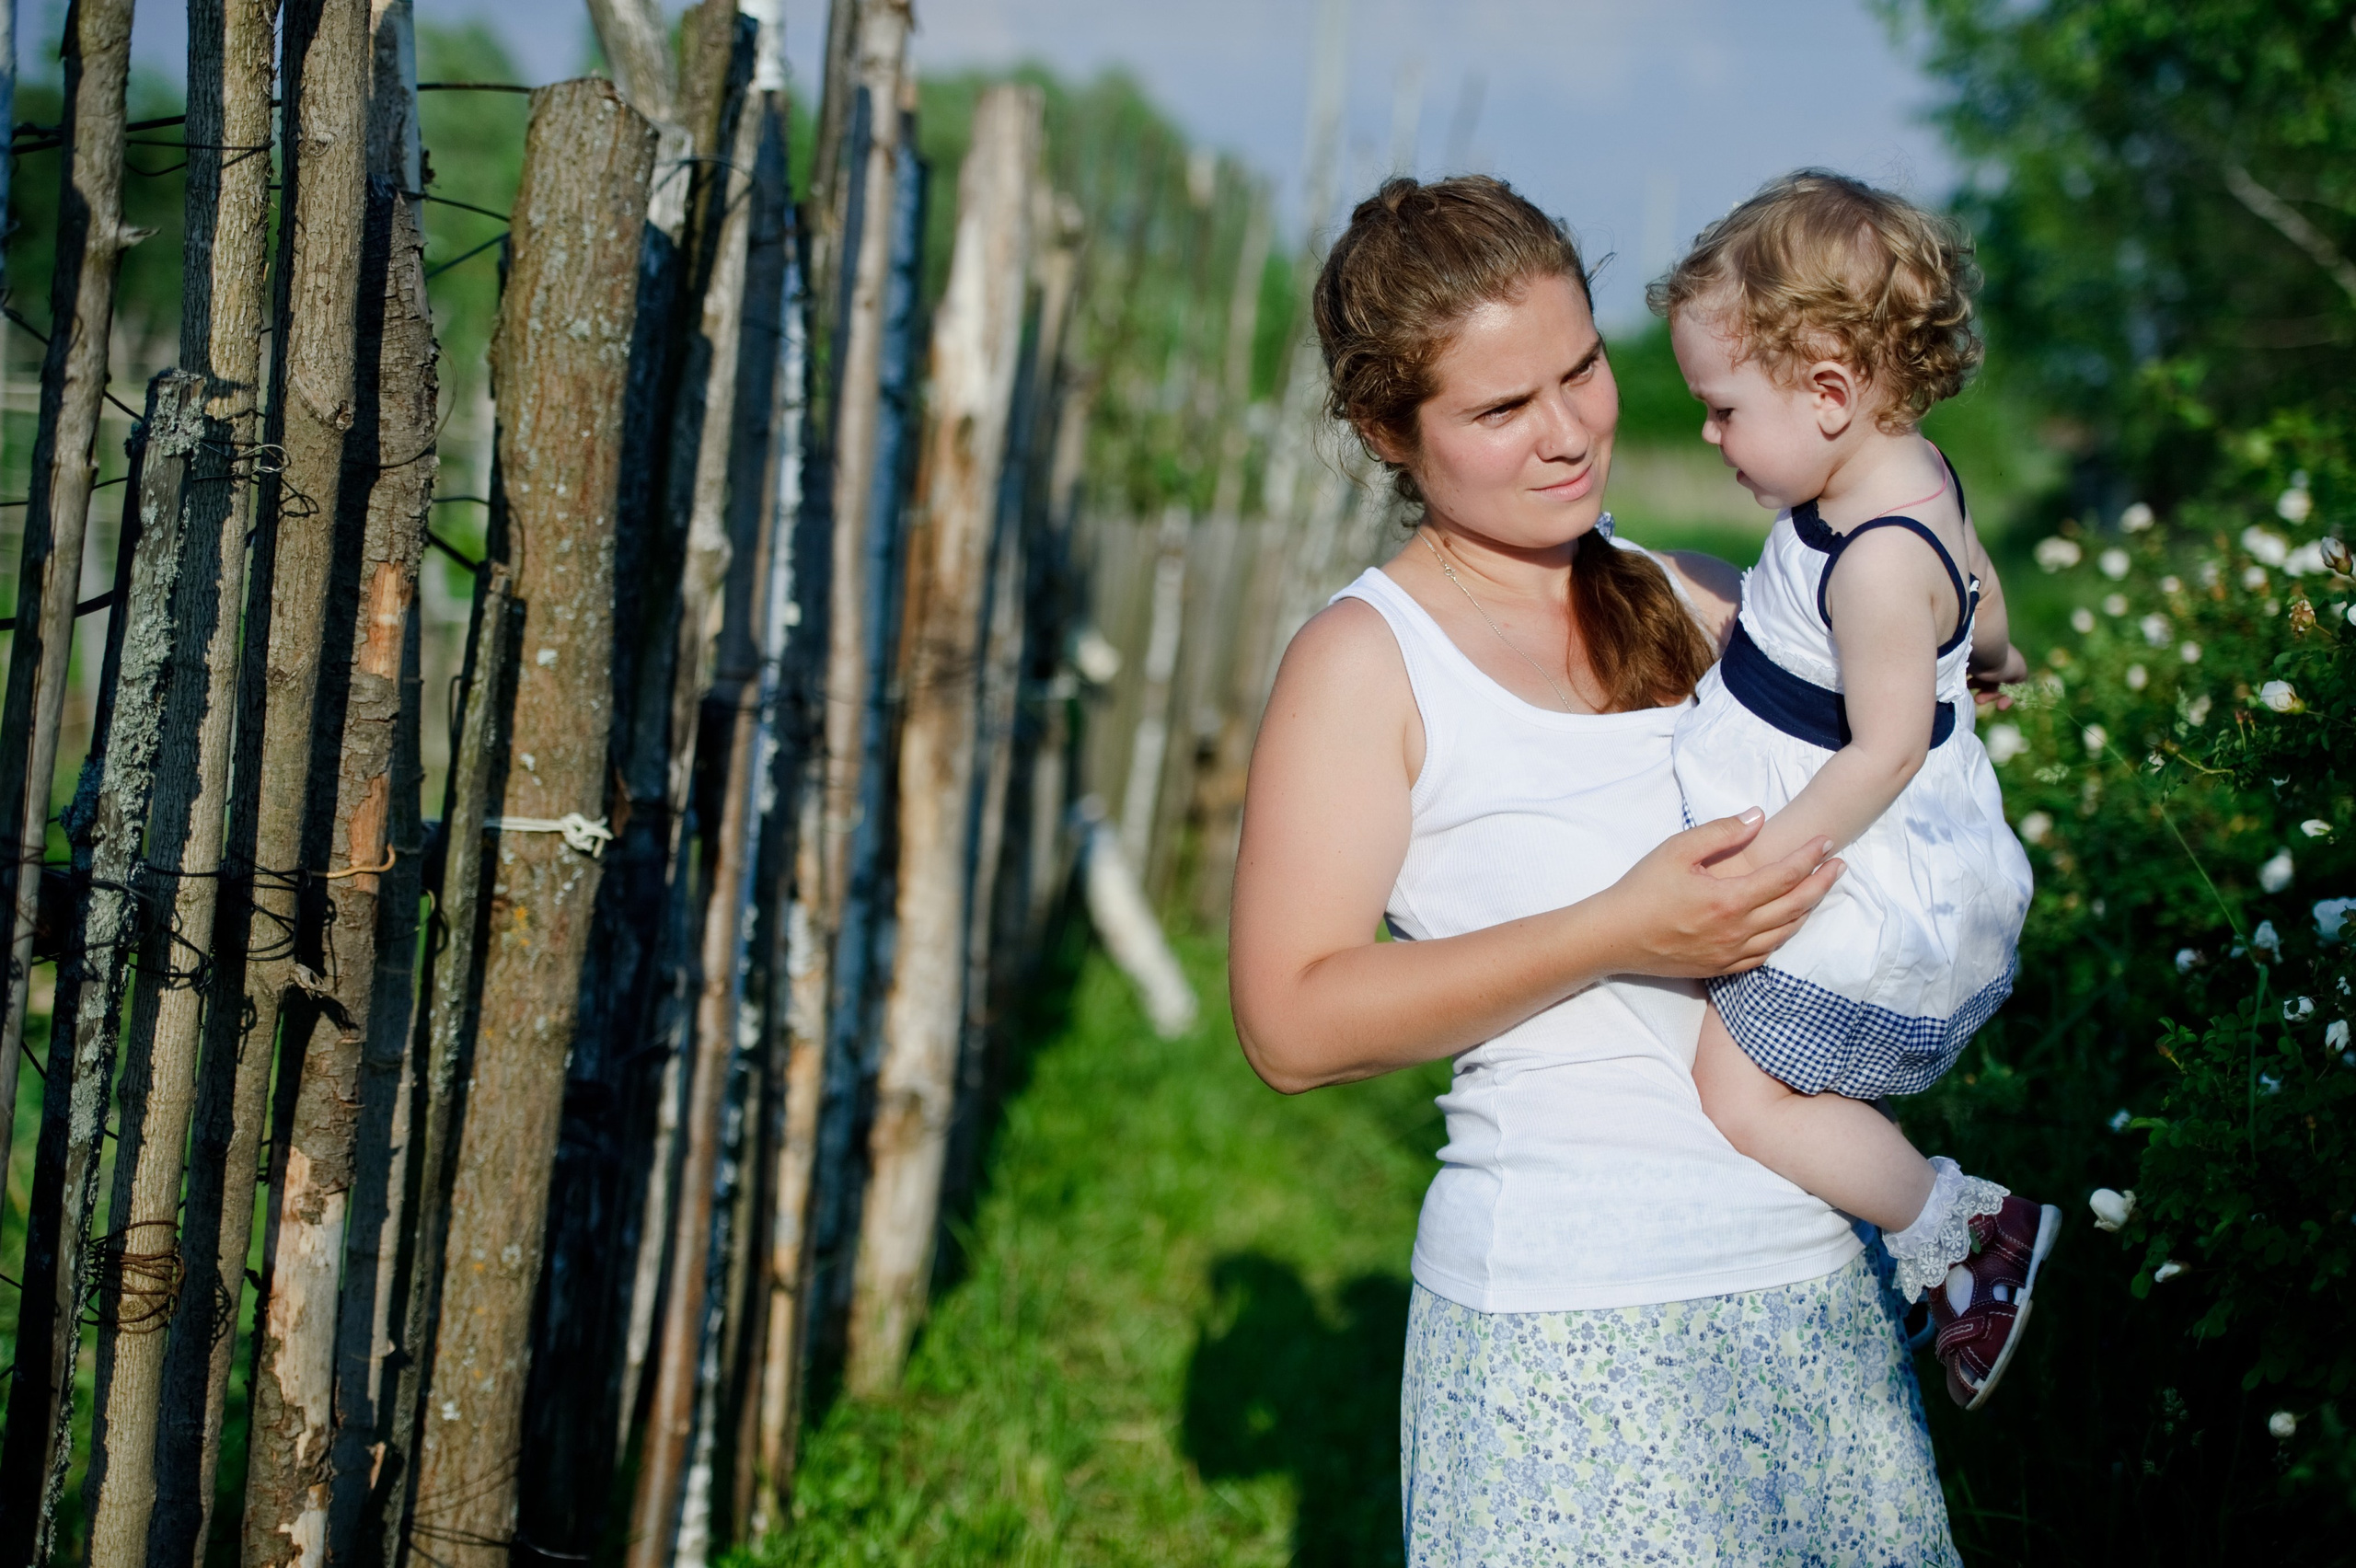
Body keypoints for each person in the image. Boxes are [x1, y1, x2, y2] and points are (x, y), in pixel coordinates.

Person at [1230, 174, 1959, 1565]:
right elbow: (1289, 1025)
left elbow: (1919, 644)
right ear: (1390, 430)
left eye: (1582, 371)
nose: (1569, 433)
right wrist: (1623, 927)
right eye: (1502, 410)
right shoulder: (1366, 661)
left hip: (1810, 1284)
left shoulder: (1697, 594)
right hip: (1560, 1318)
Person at [1655, 171, 2058, 1412]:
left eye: (1724, 411)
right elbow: (1976, 586)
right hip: (1892, 847)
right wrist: (1992, 658)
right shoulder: (1909, 476)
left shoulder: (1877, 565)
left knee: (1739, 1089)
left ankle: (1960, 1230)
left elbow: (1881, 752)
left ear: (1829, 394)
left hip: (1869, 887)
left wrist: (1771, 866)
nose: (1712, 438)